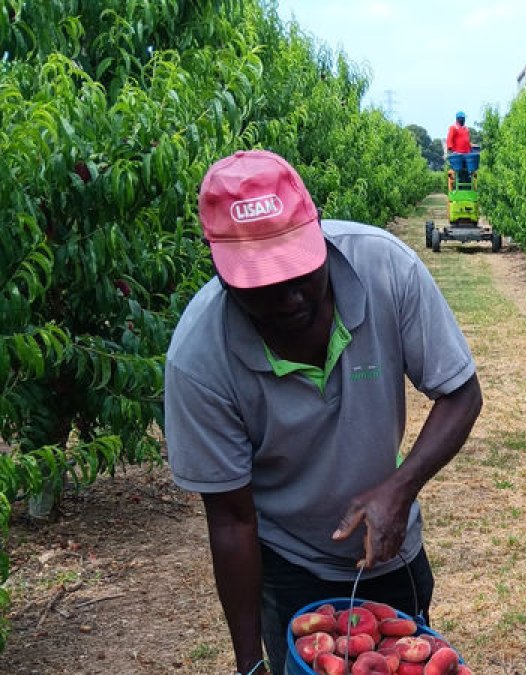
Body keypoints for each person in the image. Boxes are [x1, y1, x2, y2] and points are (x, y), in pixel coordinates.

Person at [165, 149, 482, 675]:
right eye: (262, 284)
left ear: (316, 230)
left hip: (390, 552)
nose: (289, 298)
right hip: (288, 563)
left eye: (298, 271)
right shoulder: (200, 359)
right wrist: (249, 665)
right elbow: (232, 519)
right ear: (220, 270)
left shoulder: (384, 268)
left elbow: (462, 394)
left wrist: (397, 490)